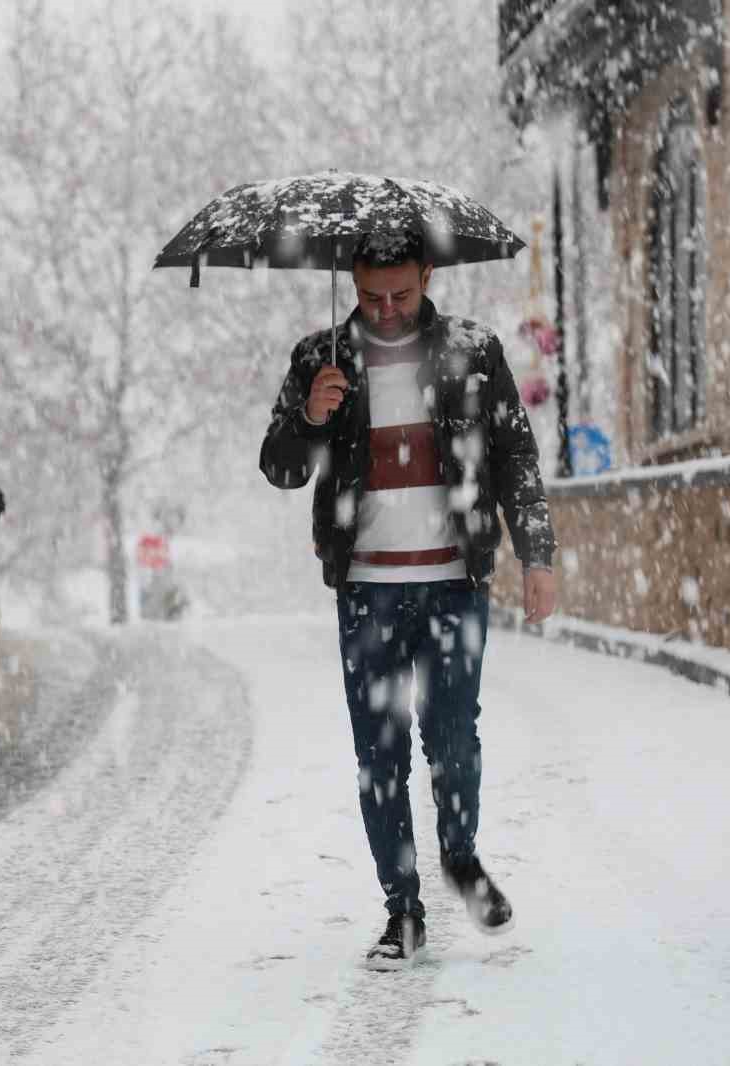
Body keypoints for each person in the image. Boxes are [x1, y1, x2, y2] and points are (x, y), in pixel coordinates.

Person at [258, 230, 558, 971]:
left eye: (401, 293)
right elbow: (280, 466)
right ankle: (403, 910)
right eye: (369, 297)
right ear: (351, 284)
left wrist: (538, 553)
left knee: (454, 741)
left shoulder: (473, 351)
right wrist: (310, 419)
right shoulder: (318, 360)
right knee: (379, 755)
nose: (387, 310)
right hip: (366, 590)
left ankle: (460, 855)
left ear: (427, 275)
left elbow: (515, 453)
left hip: (456, 582)